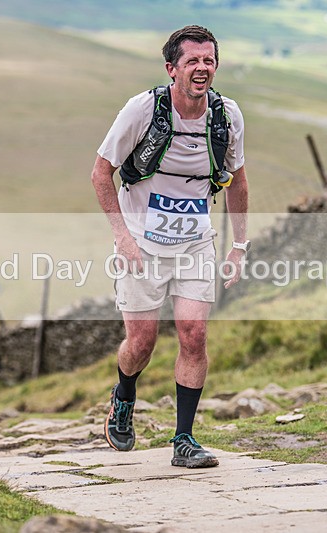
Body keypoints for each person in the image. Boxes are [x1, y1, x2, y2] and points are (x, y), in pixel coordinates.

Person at [91, 25, 248, 468]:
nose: (202, 69)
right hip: (141, 242)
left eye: (209, 60)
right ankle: (124, 396)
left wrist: (240, 245)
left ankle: (184, 440)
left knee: (194, 334)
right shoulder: (143, 110)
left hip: (196, 241)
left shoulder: (227, 116)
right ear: (171, 69)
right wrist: (122, 236)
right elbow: (101, 172)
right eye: (193, 61)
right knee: (140, 342)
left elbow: (237, 179)